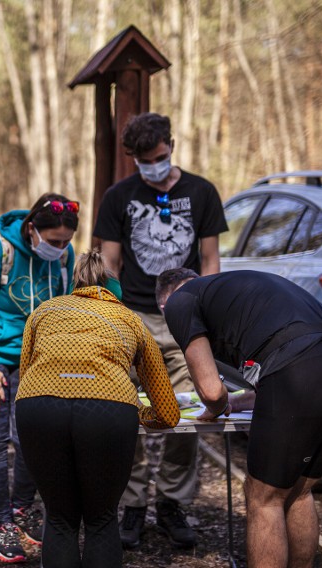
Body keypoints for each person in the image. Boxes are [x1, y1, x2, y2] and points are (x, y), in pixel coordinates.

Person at [156, 268, 322, 568]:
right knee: (298, 489)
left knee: (263, 497)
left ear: (164, 305)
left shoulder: (180, 301)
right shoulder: (235, 289)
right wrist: (236, 399)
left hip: (302, 371)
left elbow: (210, 390)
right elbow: (274, 379)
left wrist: (216, 407)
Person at [93, 112, 227, 549]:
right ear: (132, 158)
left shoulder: (201, 192)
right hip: (134, 317)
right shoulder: (119, 197)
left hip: (185, 317)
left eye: (160, 156)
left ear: (171, 145)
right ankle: (132, 503)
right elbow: (108, 263)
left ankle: (172, 502)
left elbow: (209, 260)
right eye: (143, 159)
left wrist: (206, 314)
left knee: (189, 411)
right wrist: (111, 313)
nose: (152, 165)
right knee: (124, 410)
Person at [15, 249, 179, 568]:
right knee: (101, 520)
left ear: (76, 284)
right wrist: (140, 414)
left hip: (38, 406)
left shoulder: (44, 311)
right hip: (108, 409)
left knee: (60, 519)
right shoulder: (132, 319)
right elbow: (168, 412)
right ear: (114, 288)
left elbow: (26, 374)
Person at [0, 193, 78, 563]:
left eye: (66, 243)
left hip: (28, 356)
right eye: (53, 242)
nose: (60, 249)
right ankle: (2, 524)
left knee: (32, 437)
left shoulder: (66, 257)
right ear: (31, 229)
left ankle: (21, 510)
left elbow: (63, 308)